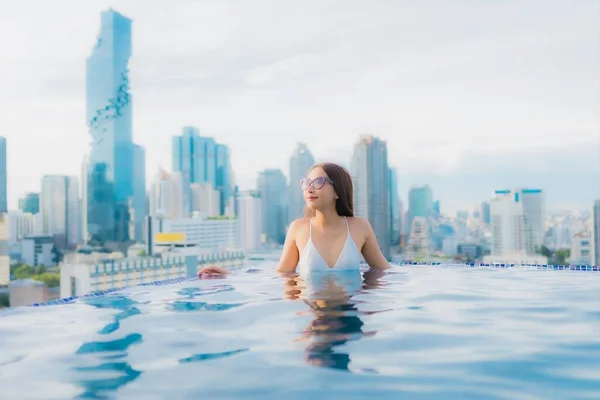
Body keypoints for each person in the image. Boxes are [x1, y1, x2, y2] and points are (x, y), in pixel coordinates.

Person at [197, 162, 391, 277]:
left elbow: (384, 271)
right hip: (311, 315)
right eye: (306, 183)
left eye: (319, 182)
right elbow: (281, 273)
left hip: (351, 313)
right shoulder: (298, 228)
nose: (309, 188)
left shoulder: (359, 227)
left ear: (338, 191)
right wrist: (230, 276)